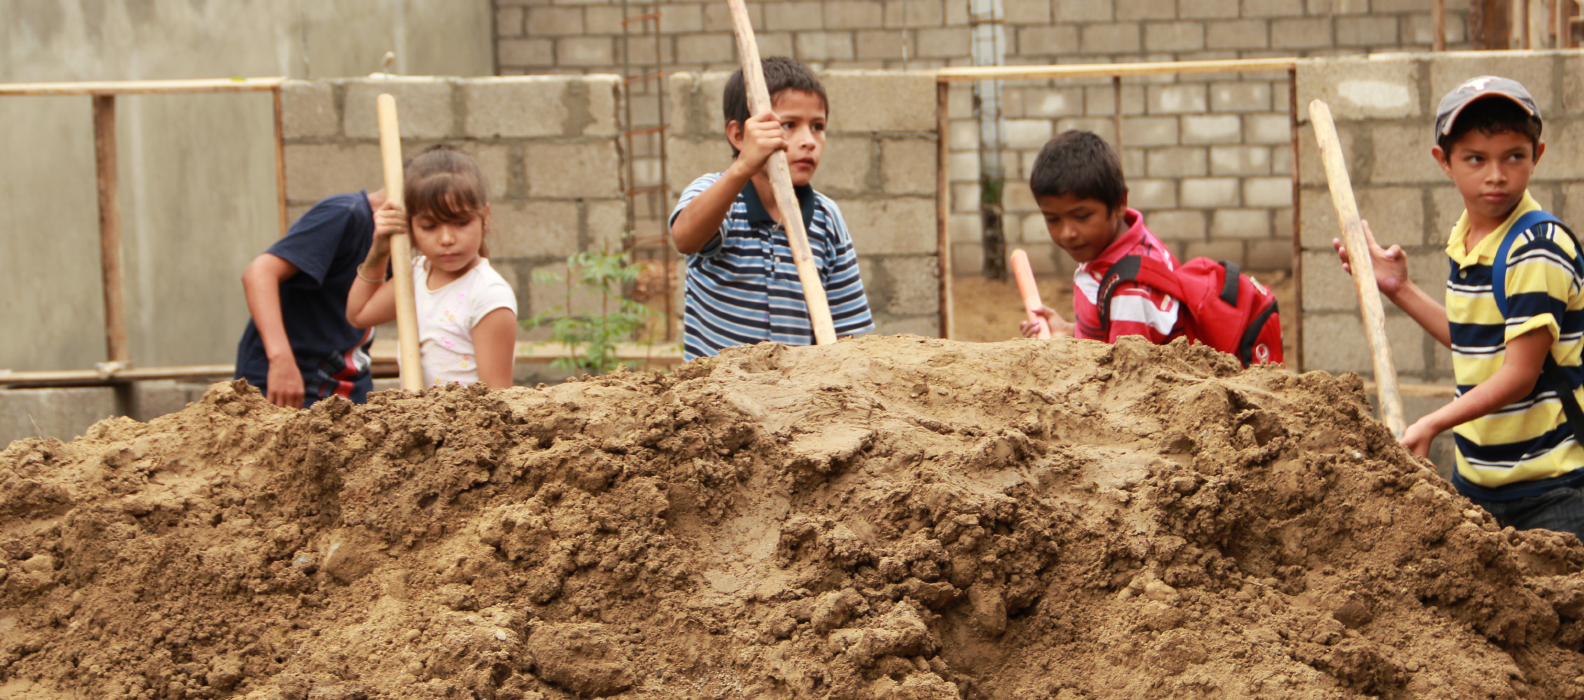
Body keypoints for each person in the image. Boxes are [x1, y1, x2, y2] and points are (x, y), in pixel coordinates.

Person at [1335, 76, 1584, 538]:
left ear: (1537, 155)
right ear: (1444, 161)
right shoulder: (1467, 235)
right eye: (1476, 159)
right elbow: (1476, 341)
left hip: (1551, 489)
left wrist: (1432, 422)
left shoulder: (1536, 247)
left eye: (1514, 156)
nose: (1496, 175)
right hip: (1477, 482)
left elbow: (1520, 373)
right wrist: (1399, 289)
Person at [668, 56, 873, 361]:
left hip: (793, 387)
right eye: (788, 125)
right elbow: (685, 238)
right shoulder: (717, 195)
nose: (808, 141)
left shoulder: (826, 217)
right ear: (739, 135)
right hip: (719, 387)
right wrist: (742, 168)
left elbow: (847, 331)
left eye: (817, 127)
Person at [346, 145, 517, 390]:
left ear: (484, 217)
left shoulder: (488, 295)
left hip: (464, 416)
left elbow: (497, 397)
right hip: (420, 414)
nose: (446, 239)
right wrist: (379, 251)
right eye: (429, 226)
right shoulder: (416, 275)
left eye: (461, 222)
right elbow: (358, 314)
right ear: (410, 226)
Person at [1019, 130, 1186, 344]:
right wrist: (1069, 332)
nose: (1067, 233)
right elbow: (1107, 337)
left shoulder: (1130, 292)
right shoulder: (1120, 246)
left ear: (1119, 203)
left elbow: (1124, 362)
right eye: (1052, 219)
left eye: (1082, 216)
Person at [236, 188, 381, 409]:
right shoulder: (344, 215)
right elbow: (259, 273)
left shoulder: (395, 244)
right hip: (289, 387)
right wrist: (281, 360)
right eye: (428, 225)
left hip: (348, 391)